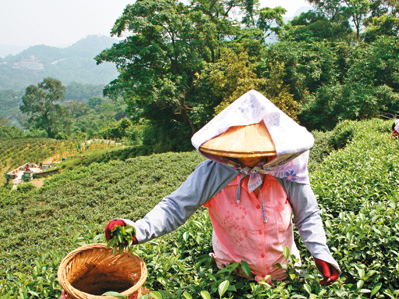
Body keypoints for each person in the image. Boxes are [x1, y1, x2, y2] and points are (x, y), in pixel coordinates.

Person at [105, 90, 341, 286]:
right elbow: (175, 207)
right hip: (233, 278)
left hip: (285, 273)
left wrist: (321, 253)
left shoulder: (286, 170)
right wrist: (137, 230)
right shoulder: (213, 172)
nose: (250, 161)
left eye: (258, 154)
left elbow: (307, 214)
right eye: (243, 154)